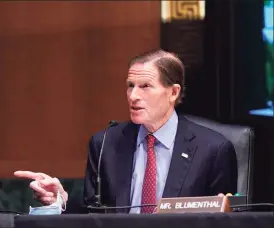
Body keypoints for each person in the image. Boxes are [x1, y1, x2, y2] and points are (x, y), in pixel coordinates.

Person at [14, 49, 238, 214]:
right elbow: (94, 215)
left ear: (173, 92)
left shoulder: (213, 149)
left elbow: (229, 218)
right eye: (130, 85)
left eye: (145, 86)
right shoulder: (105, 143)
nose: (133, 96)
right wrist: (60, 200)